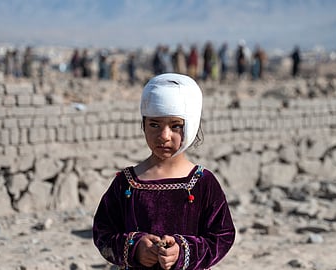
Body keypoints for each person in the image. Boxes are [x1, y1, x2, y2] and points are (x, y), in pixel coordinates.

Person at [92, 73, 236, 270]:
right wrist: (135, 247)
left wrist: (183, 252)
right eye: (154, 124)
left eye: (176, 126)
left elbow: (222, 236)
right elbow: (103, 233)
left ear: (192, 127)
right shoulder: (126, 183)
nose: (164, 136)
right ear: (143, 124)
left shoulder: (203, 182)